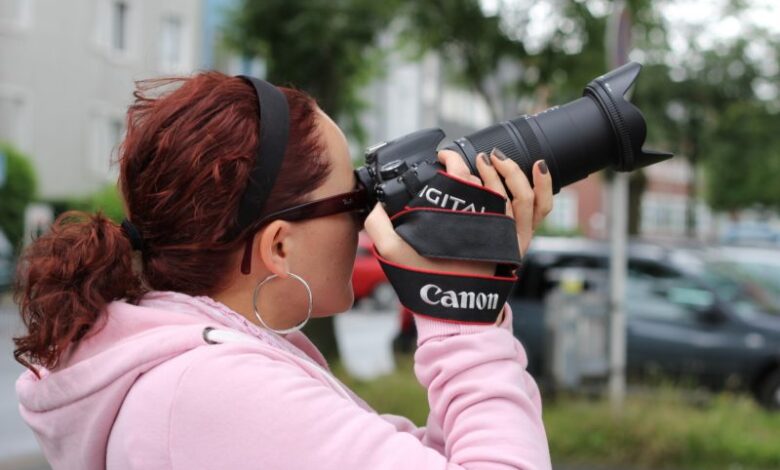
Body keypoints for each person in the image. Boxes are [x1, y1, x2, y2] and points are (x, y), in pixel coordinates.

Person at [13, 71, 554, 469]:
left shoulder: (201, 374)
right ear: (278, 245)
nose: (367, 222)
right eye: (354, 201)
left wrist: (476, 289)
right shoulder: (211, 390)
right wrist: (463, 320)